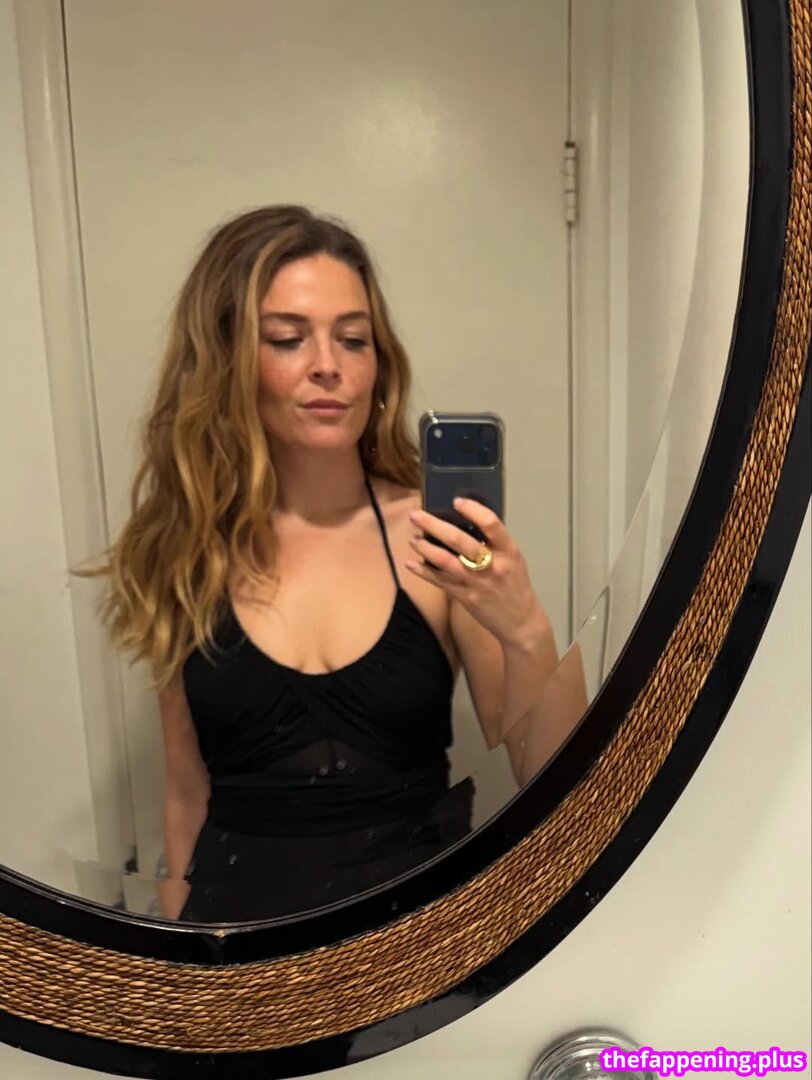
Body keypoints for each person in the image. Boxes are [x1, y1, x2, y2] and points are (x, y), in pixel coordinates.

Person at [84, 205, 570, 922]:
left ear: (379, 364)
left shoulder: (435, 538)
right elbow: (186, 792)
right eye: (287, 339)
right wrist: (181, 941)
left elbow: (553, 777)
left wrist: (525, 628)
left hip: (416, 946)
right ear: (227, 362)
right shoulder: (186, 551)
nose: (328, 366)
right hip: (237, 944)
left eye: (353, 339)